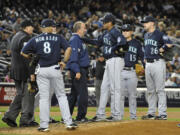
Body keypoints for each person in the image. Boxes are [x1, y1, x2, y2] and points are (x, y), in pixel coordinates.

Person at [21, 19, 77, 132]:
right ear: (46, 27)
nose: (54, 27)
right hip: (55, 68)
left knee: (44, 98)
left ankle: (44, 125)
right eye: (52, 26)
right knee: (61, 96)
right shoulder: (58, 37)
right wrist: (64, 62)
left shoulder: (35, 39)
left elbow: (23, 52)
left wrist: (32, 57)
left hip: (42, 70)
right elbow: (69, 48)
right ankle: (69, 123)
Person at [82, 13, 128, 122]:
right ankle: (100, 114)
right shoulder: (105, 33)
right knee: (104, 88)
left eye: (104, 22)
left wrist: (113, 49)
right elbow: (97, 42)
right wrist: (83, 39)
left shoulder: (115, 31)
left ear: (110, 22)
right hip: (109, 61)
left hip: (116, 59)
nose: (102, 23)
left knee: (115, 88)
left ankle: (116, 115)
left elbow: (123, 42)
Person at [2, 19, 38, 127]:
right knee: (28, 94)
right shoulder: (26, 37)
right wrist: (31, 73)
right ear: (27, 27)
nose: (33, 29)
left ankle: (9, 116)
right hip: (24, 71)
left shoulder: (16, 36)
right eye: (32, 27)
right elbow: (27, 57)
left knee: (20, 94)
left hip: (15, 70)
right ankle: (26, 120)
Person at [141, 16, 173, 120]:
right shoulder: (145, 35)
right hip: (148, 64)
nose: (144, 24)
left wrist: (162, 49)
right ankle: (151, 113)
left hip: (158, 62)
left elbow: (169, 43)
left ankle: (163, 114)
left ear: (152, 23)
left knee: (160, 90)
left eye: (146, 22)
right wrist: (145, 57)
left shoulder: (159, 34)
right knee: (150, 90)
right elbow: (146, 48)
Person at [120, 24, 144, 120]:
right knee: (120, 95)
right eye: (123, 30)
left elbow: (142, 56)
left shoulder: (137, 43)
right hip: (120, 71)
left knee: (132, 95)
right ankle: (119, 115)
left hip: (132, 71)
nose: (125, 32)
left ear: (131, 32)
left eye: (127, 30)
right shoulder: (119, 42)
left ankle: (133, 116)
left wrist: (144, 66)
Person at [67, 21, 90, 123]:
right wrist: (77, 71)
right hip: (78, 69)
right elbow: (73, 57)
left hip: (79, 69)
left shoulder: (79, 39)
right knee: (82, 94)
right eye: (84, 28)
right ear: (79, 29)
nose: (85, 30)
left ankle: (66, 116)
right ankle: (81, 117)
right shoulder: (75, 39)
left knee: (74, 94)